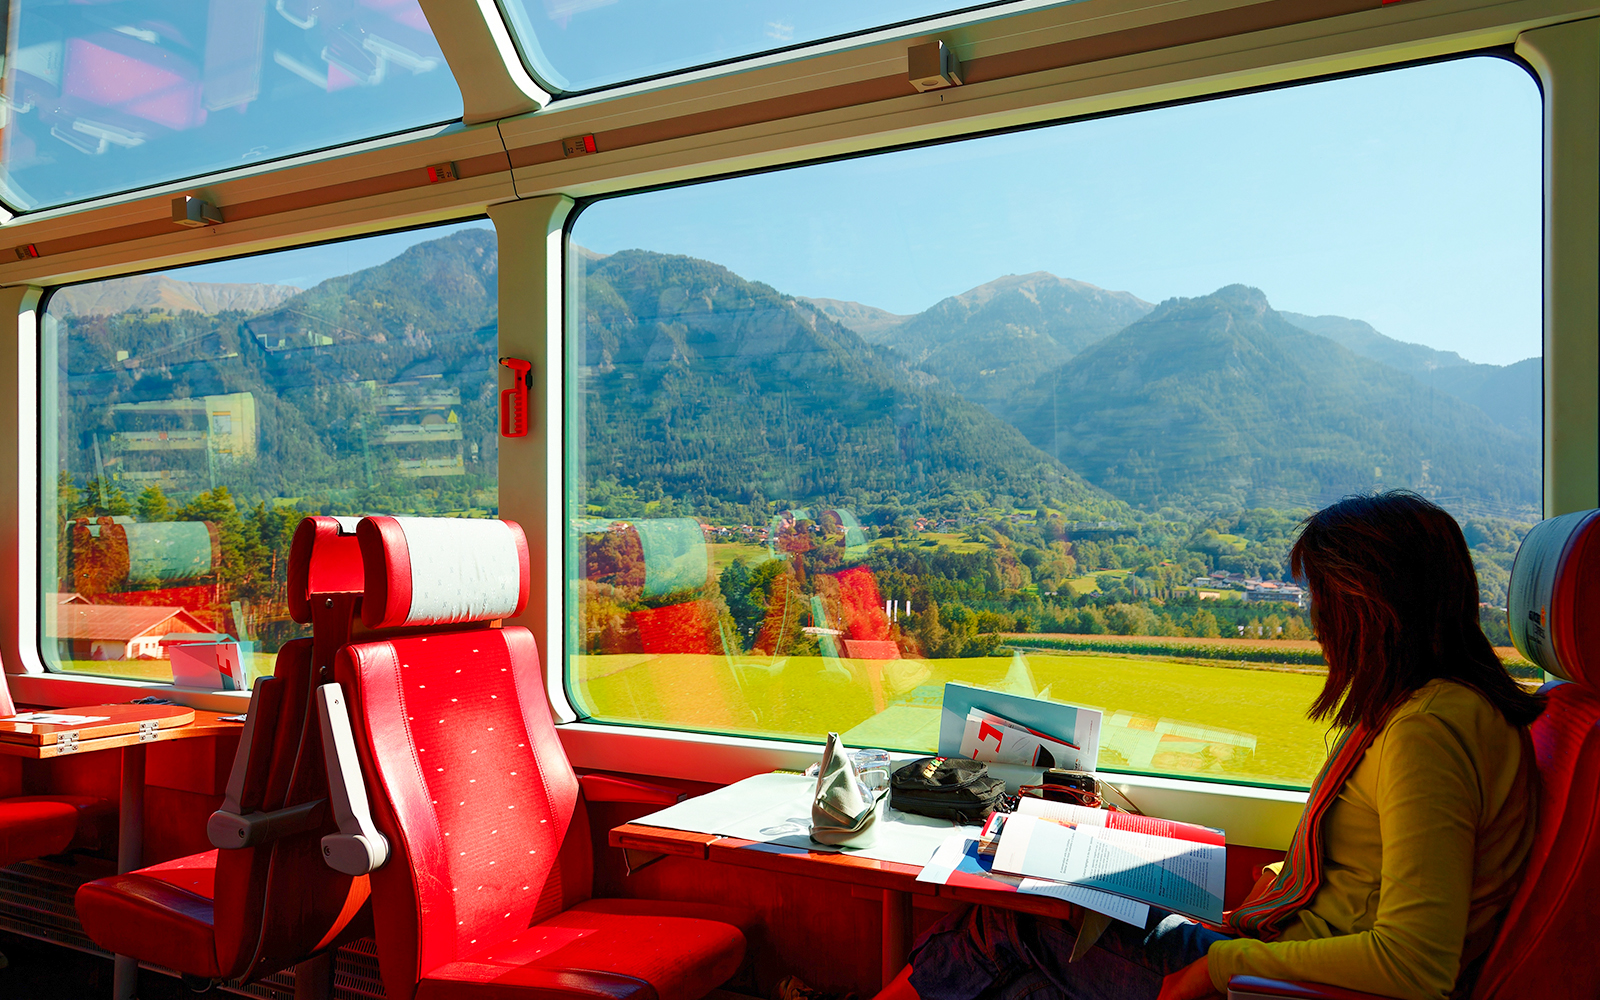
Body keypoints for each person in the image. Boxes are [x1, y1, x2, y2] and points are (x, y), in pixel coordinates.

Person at [819, 491, 1543, 1000]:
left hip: (1278, 980)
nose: (1314, 623)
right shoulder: (1436, 708)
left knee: (1009, 921)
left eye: (1320, 598)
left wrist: (1220, 967)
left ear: (1371, 606)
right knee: (1026, 971)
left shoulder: (1429, 733)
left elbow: (1416, 963)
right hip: (1277, 955)